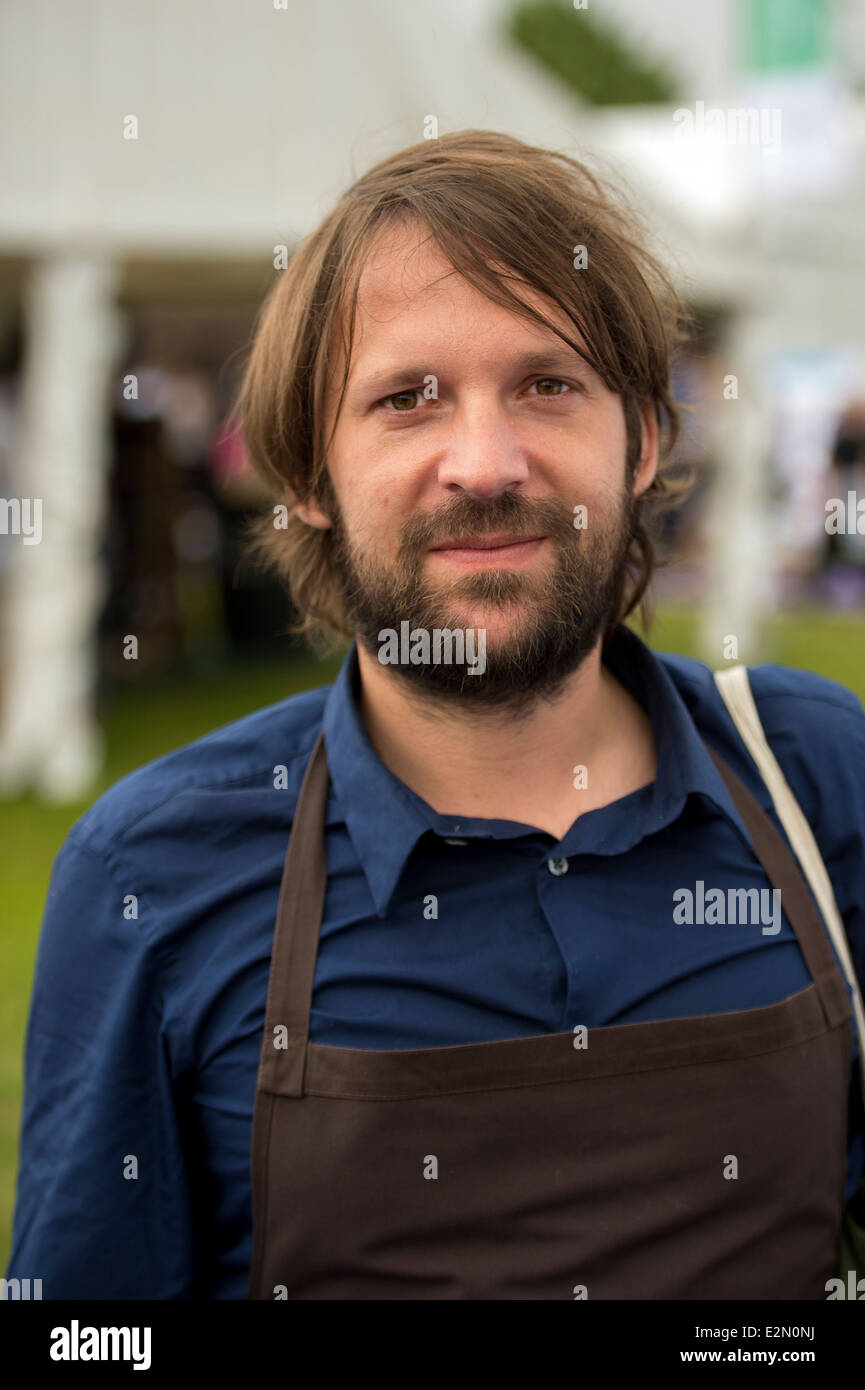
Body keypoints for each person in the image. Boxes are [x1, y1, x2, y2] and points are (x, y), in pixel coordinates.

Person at [7, 130, 865, 1300]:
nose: (485, 460)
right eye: (408, 399)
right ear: (305, 476)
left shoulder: (813, 777)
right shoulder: (152, 868)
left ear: (645, 440)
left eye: (547, 384)